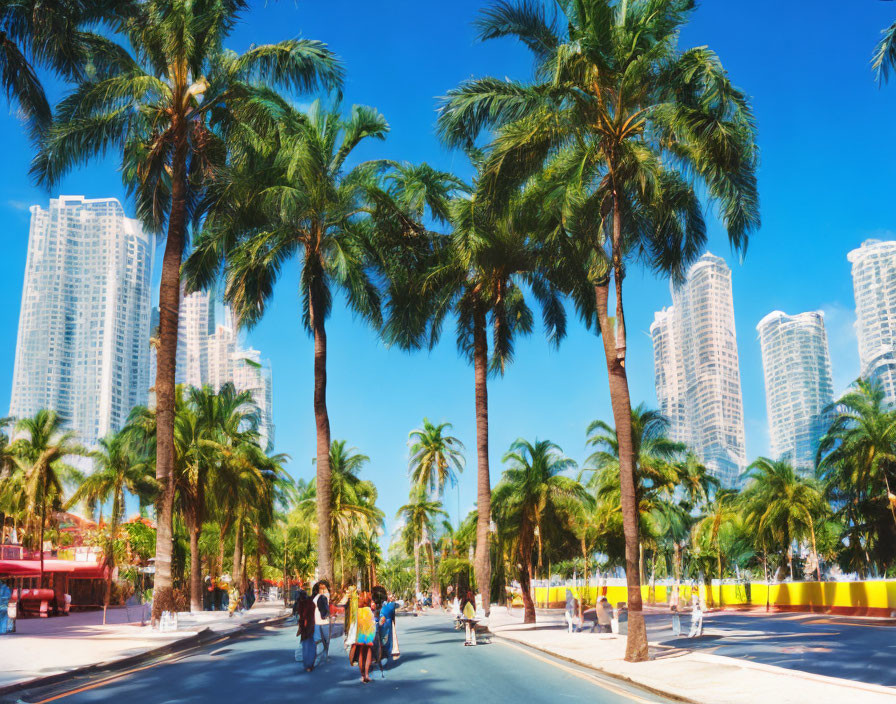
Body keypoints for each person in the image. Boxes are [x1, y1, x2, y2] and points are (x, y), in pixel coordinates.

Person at [349, 591, 376, 683]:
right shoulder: (368, 595)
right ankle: (367, 674)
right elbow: (373, 606)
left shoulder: (358, 598)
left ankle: (363, 675)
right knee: (368, 650)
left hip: (359, 617)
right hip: (367, 617)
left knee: (361, 651)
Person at [295, 589, 316, 672]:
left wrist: (300, 628)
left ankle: (308, 665)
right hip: (311, 625)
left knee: (306, 646)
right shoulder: (310, 602)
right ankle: (309, 665)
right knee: (310, 645)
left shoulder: (302, 604)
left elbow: (302, 617)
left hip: (306, 626)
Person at [311, 580, 331, 665]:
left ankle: (326, 655)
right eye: (320, 587)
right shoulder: (316, 596)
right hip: (316, 621)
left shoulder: (325, 596)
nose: (322, 588)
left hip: (325, 621)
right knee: (317, 640)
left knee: (326, 640)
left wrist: (324, 589)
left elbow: (326, 595)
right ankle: (318, 657)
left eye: (323, 587)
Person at [377, 590, 398, 664]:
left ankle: (382, 653)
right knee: (387, 638)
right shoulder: (390, 605)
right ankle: (386, 653)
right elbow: (393, 615)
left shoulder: (382, 605)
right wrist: (393, 622)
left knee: (382, 637)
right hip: (387, 622)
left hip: (382, 622)